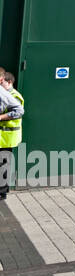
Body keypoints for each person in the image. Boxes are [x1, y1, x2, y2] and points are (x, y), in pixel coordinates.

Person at [0, 67, 26, 201]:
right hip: (3, 136)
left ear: (9, 82)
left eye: (2, 83)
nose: (1, 85)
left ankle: (2, 192)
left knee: (3, 164)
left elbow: (17, 113)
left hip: (7, 136)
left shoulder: (14, 95)